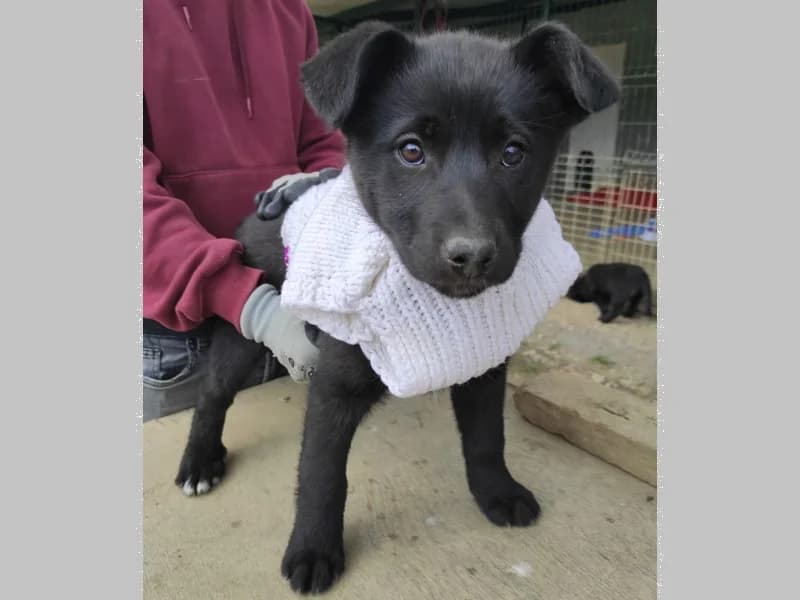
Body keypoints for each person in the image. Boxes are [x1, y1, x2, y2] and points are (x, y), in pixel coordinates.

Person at [142, 0, 345, 422]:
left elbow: (321, 140)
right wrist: (249, 304)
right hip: (179, 336)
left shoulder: (290, 10)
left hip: (296, 313)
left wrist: (324, 185)